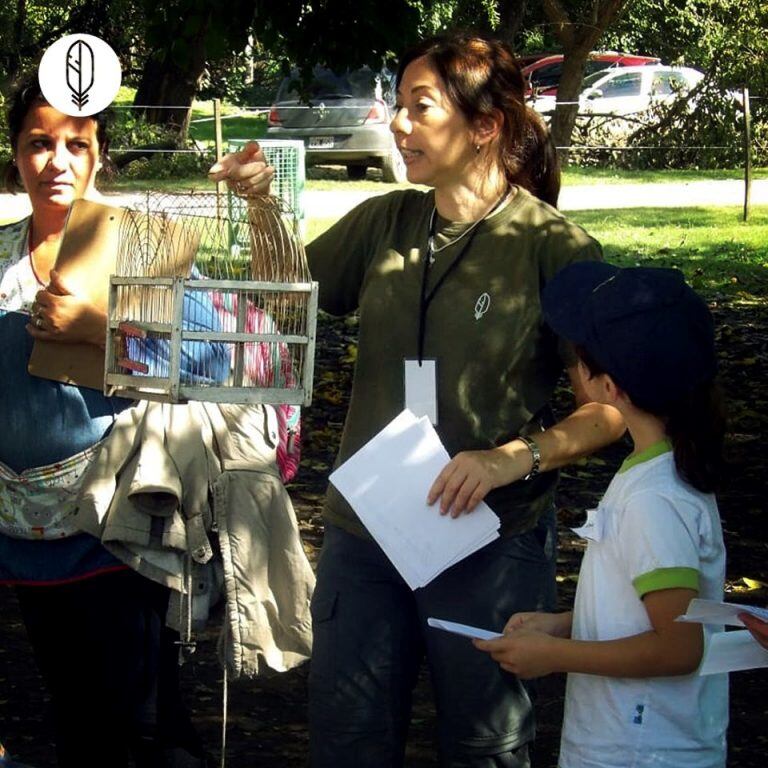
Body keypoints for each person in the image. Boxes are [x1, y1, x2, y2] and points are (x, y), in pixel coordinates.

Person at [211, 32, 625, 767]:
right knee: (348, 742)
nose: (399, 124)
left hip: (489, 543)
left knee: (484, 745)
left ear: (486, 125)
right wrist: (261, 207)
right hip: (367, 537)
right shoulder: (386, 222)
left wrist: (514, 458)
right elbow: (288, 303)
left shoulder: (553, 247)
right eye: (398, 106)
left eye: (419, 107)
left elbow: (614, 409)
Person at [0, 75, 212, 768]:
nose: (56, 161)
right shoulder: (1, 257)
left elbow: (224, 357)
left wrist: (107, 331)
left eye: (75, 143)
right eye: (38, 143)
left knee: (147, 727)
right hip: (23, 538)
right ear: (14, 155)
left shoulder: (143, 247)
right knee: (77, 720)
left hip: (120, 530)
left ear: (99, 157)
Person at [475, 262, 728, 767]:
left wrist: (555, 657)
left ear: (608, 388)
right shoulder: (662, 468)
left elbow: (678, 646)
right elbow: (655, 608)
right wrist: (568, 625)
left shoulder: (653, 499)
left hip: (642, 751)